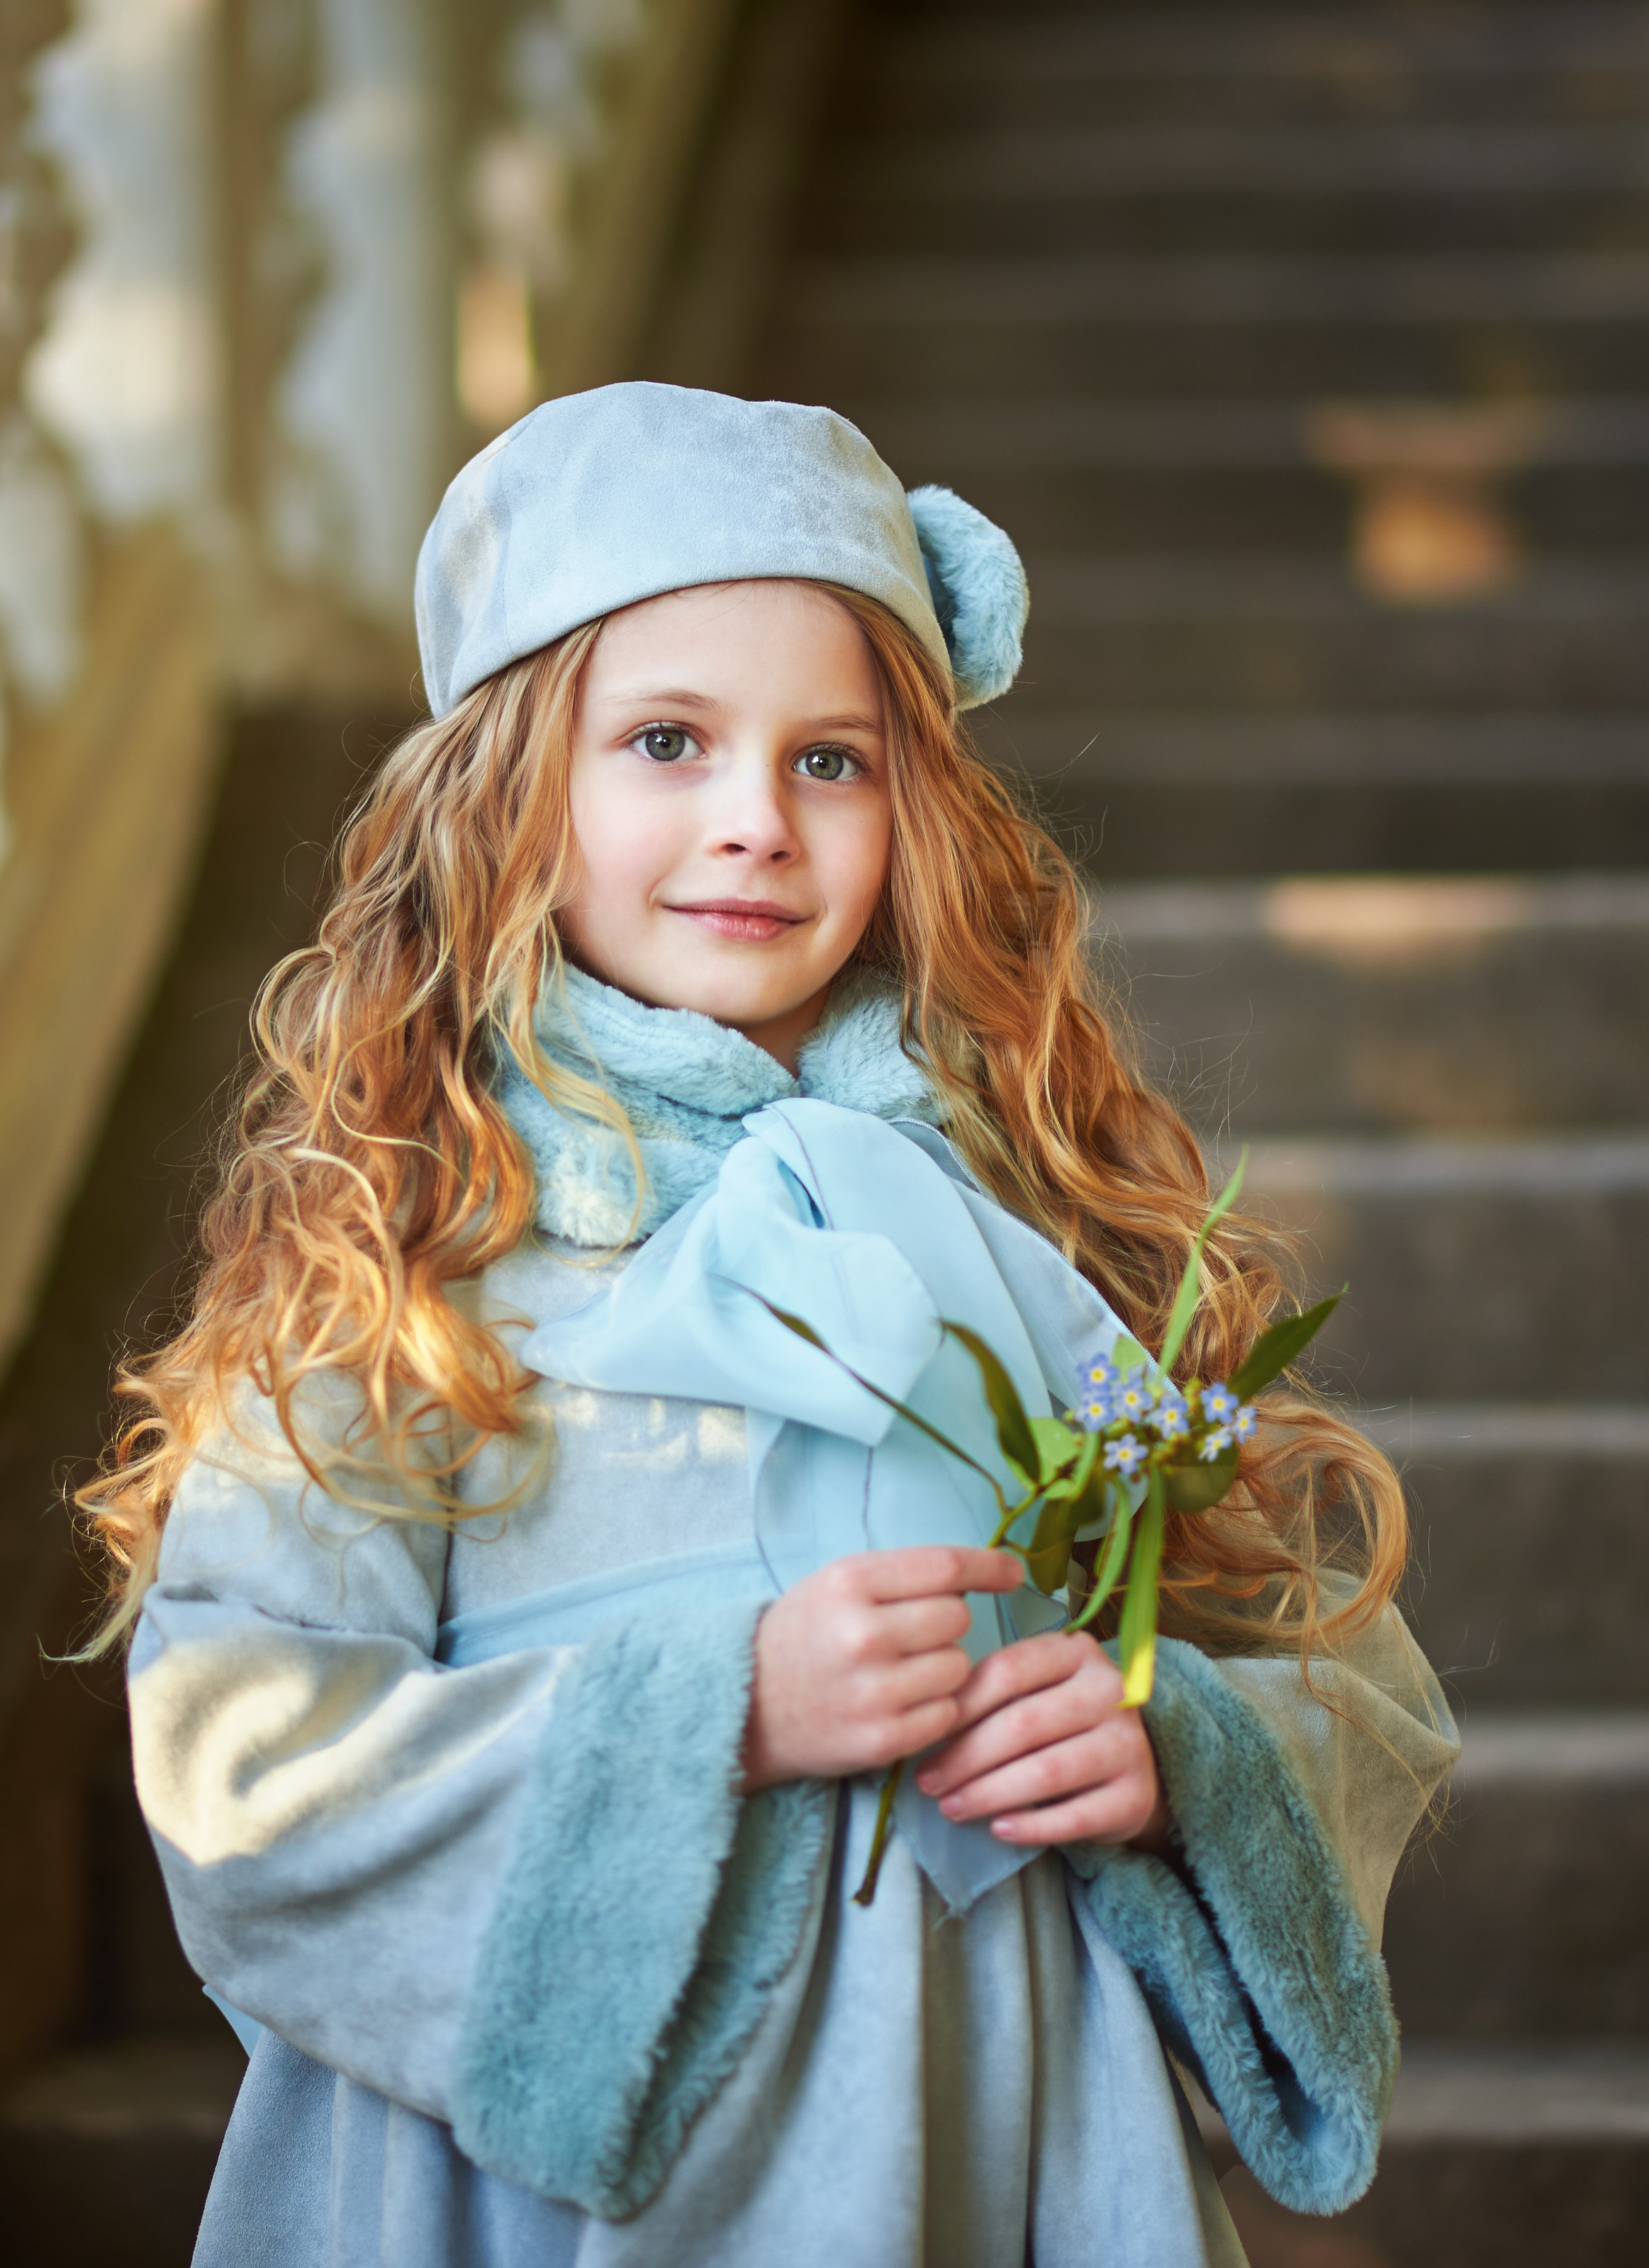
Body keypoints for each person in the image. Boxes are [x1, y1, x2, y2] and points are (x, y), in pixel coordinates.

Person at [84, 383, 1458, 2267]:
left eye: (834, 761)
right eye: (668, 741)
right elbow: (247, 1758)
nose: (757, 824)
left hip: (1005, 2133)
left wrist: (1179, 1754)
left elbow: (1342, 1668)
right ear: (510, 792)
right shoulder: (395, 1285)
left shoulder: (1024, 1238)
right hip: (552, 2207)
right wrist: (704, 1717)